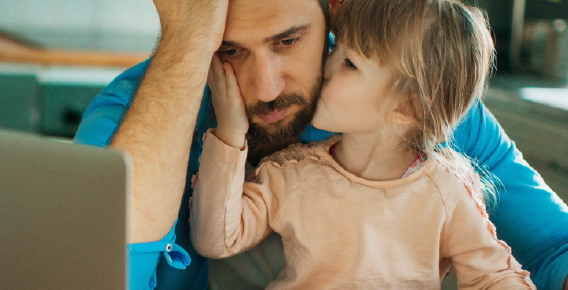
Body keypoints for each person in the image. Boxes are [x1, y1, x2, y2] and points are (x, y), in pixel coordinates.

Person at [74, 0, 568, 289]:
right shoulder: (132, 114)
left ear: (333, 15)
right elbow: (98, 277)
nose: (265, 87)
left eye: (288, 41)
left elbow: (566, 246)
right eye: (227, 51)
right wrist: (188, 38)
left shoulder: (404, 98)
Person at [189, 0, 534, 288]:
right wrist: (230, 133)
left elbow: (494, 277)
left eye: (349, 63)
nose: (325, 67)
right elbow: (215, 239)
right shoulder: (291, 174)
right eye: (335, 50)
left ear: (407, 107)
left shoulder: (446, 192)